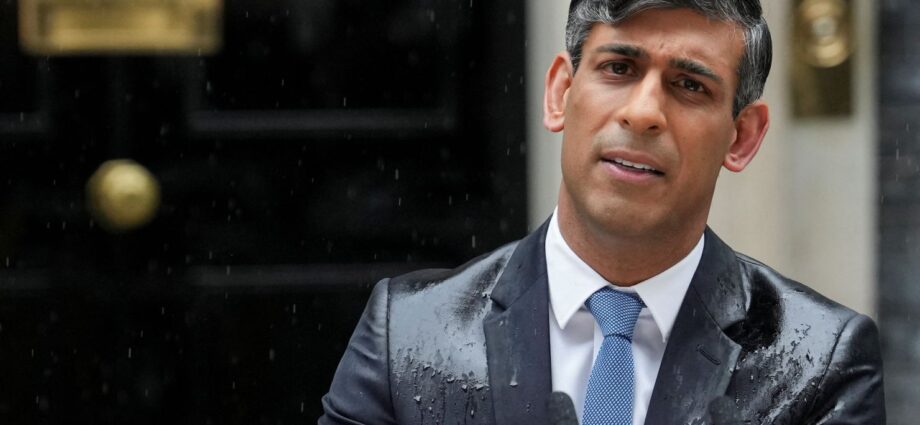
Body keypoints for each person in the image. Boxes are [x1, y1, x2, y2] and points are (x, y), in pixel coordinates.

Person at [319, 0, 886, 423]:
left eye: (689, 85)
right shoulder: (408, 335)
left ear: (741, 137)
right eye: (618, 68)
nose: (643, 113)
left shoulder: (821, 363)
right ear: (559, 94)